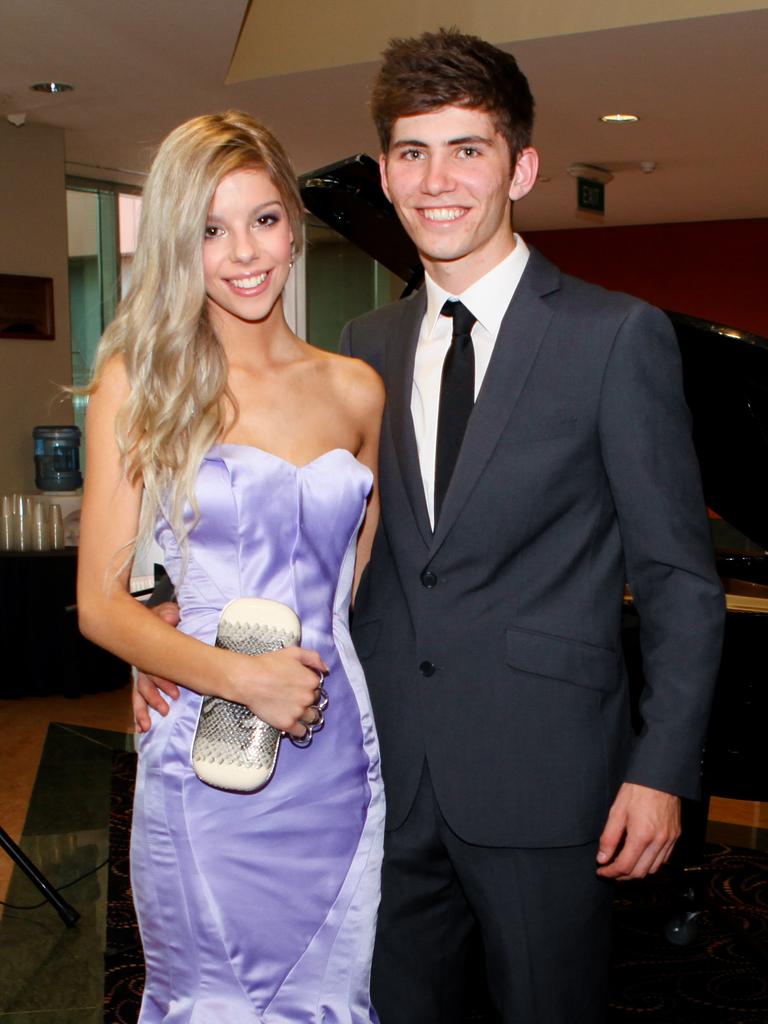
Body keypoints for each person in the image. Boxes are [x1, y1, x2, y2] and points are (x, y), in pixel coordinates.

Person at [135, 30, 724, 1024]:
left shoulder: (613, 336)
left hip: (548, 783)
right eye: (412, 151)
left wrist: (660, 771)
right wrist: (169, 633)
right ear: (385, 171)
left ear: (520, 167)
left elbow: (678, 577)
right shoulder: (362, 346)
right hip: (377, 782)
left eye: (467, 149)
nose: (435, 178)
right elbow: (300, 544)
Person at [78, 110, 385, 1023]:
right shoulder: (142, 381)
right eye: (211, 229)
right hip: (205, 765)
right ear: (179, 245)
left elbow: (344, 592)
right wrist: (219, 667)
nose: (243, 252)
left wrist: (274, 674)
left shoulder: (355, 389)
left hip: (334, 758)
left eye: (262, 218)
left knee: (331, 994)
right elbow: (99, 602)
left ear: (294, 221)